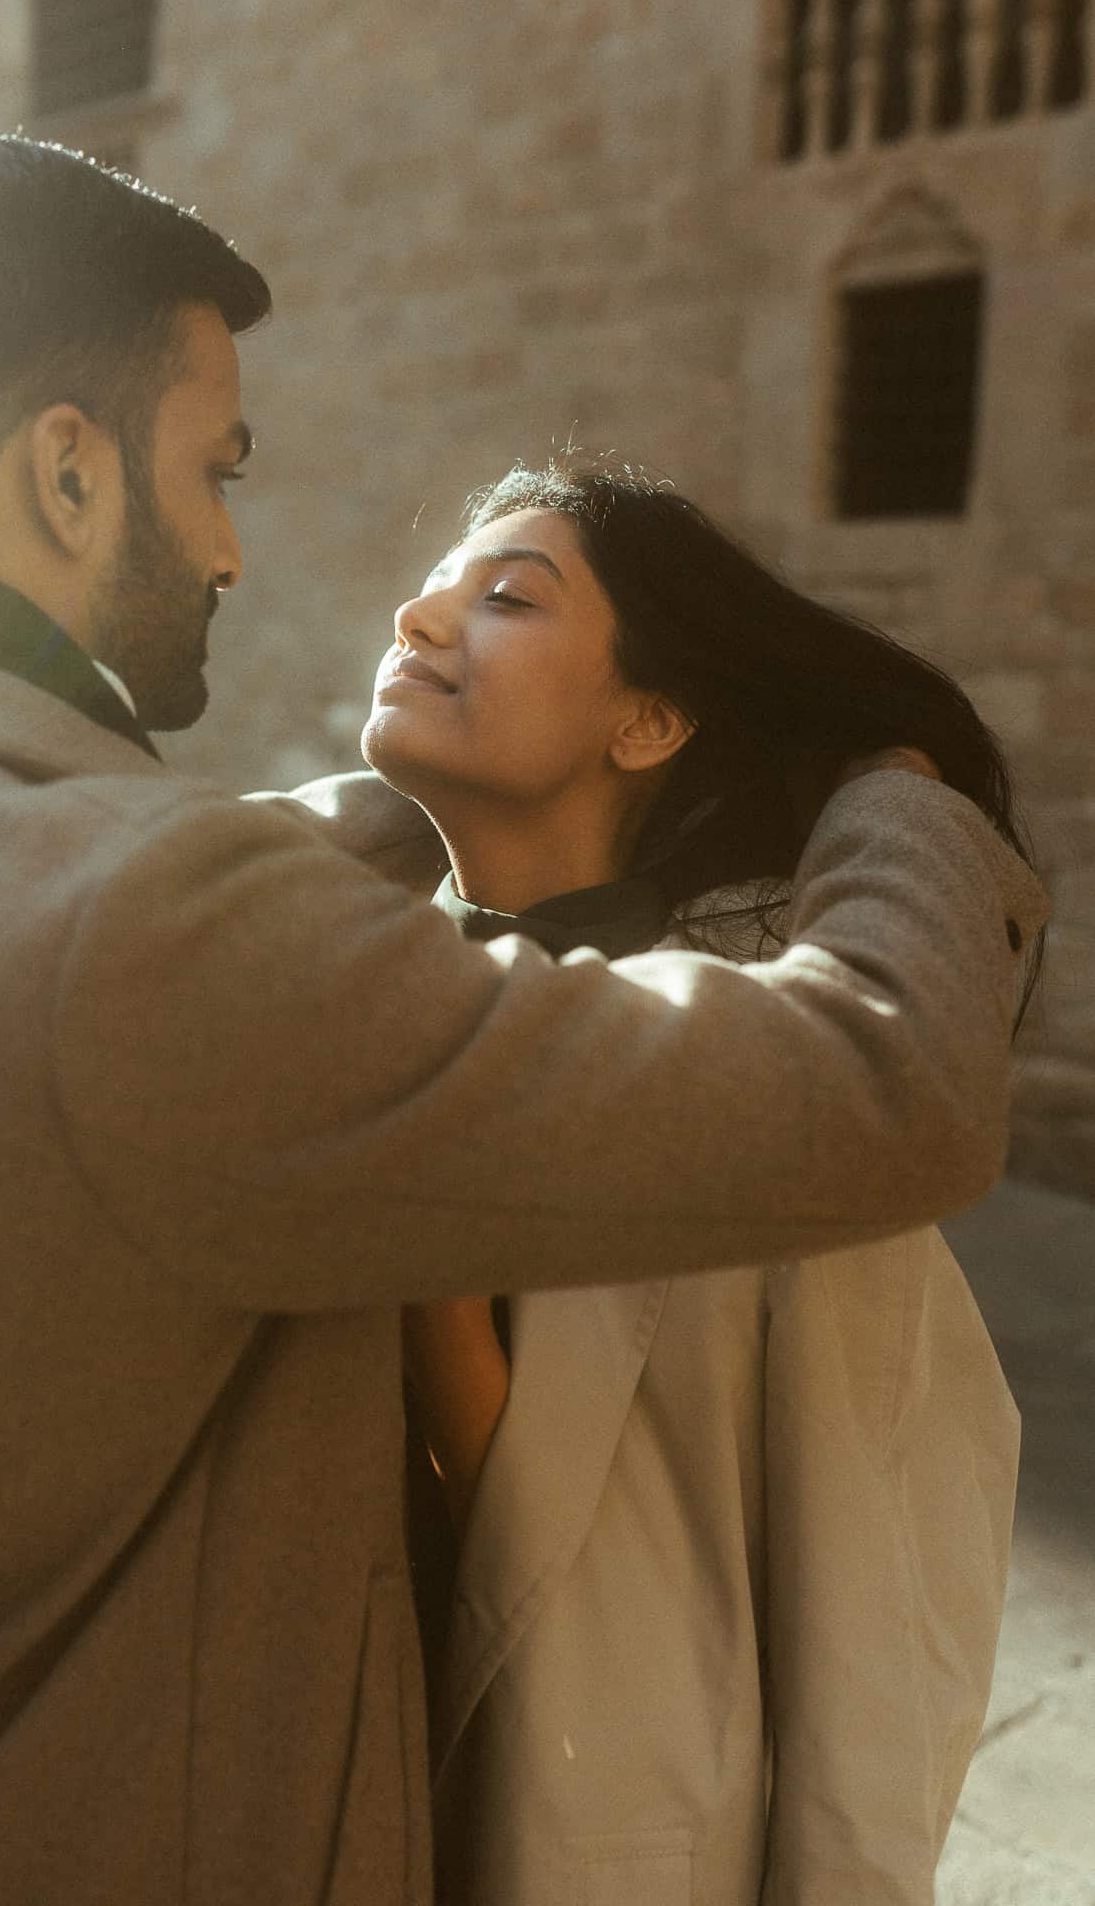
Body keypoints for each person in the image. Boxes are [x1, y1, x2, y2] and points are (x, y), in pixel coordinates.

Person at [0, 134, 1045, 1906]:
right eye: (214, 469)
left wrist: (361, 828)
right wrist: (900, 793)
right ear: (64, 473)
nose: (231, 548)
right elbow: (889, 1088)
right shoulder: (143, 927)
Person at [367, 464, 1035, 1906]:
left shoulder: (754, 1080)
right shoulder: (340, 967)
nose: (418, 616)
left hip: (616, 1817)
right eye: (438, 586)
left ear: (648, 720)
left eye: (506, 597)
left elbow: (875, 1586)